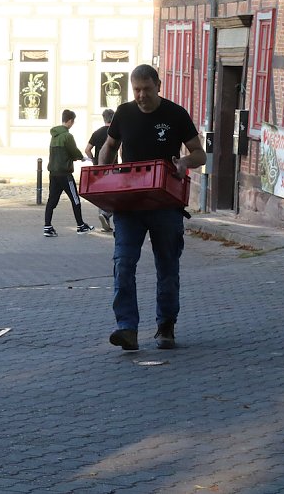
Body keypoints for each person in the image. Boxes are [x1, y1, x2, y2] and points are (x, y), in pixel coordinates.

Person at [99, 64, 206, 351]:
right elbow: (109, 146)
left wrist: (184, 163)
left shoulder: (175, 114)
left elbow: (200, 153)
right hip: (129, 203)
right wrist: (101, 176)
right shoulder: (124, 113)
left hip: (165, 204)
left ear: (158, 85)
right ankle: (127, 328)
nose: (141, 95)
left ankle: (165, 326)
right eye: (136, 90)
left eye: (147, 89)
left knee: (167, 266)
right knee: (123, 263)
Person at [43, 109, 94, 237]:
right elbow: (74, 151)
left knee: (52, 200)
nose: (73, 124)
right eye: (73, 121)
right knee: (75, 199)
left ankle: (47, 227)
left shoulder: (54, 136)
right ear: (70, 121)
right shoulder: (67, 136)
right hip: (65, 174)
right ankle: (80, 225)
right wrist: (82, 158)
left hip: (53, 173)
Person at [85, 108, 116, 232]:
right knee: (113, 194)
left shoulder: (97, 133)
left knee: (101, 194)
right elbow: (121, 149)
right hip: (113, 167)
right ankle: (107, 215)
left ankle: (104, 219)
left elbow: (87, 149)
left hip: (98, 168)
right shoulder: (114, 132)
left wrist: (93, 160)